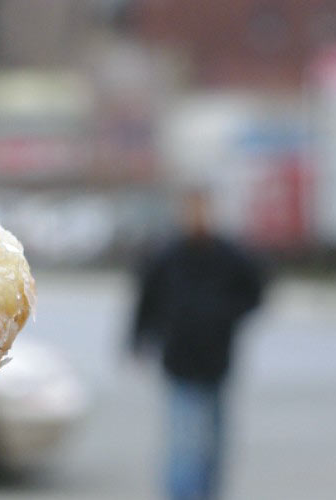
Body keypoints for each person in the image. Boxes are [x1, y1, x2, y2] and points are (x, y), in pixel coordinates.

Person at [130, 189, 266, 500]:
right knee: (185, 442)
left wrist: (226, 315)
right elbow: (145, 300)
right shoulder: (168, 255)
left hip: (217, 361)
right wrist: (139, 339)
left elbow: (256, 290)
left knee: (214, 443)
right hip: (181, 362)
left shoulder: (229, 255)